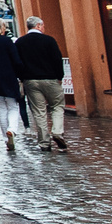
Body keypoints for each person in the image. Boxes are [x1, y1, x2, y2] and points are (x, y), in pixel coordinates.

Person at [16, 19, 68, 151]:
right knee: (57, 106)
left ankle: (44, 142)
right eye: (43, 25)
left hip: (31, 80)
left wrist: (23, 77)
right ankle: (57, 131)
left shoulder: (20, 42)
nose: (44, 28)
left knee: (39, 111)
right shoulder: (49, 40)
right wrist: (59, 76)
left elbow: (17, 62)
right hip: (50, 79)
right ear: (38, 26)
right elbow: (57, 59)